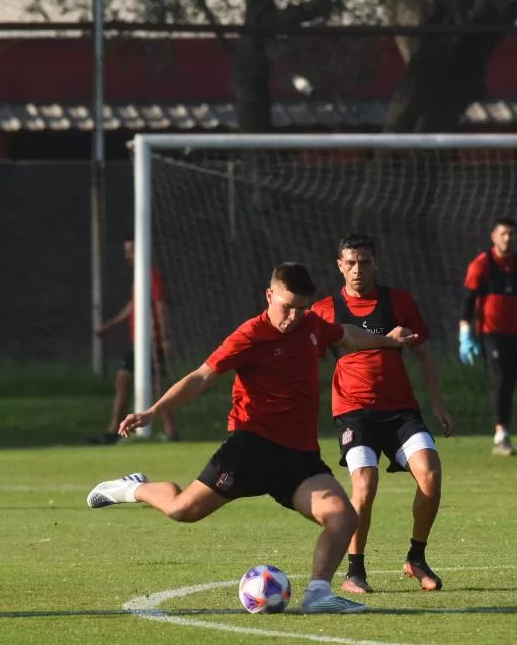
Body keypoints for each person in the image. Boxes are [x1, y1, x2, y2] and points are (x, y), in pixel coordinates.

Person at [85, 263, 419, 614]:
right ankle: (132, 488)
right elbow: (201, 377)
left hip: (299, 458)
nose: (293, 316)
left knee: (343, 517)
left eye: (302, 308)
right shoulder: (250, 335)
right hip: (250, 449)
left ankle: (319, 594)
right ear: (269, 295)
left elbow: (347, 334)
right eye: (287, 306)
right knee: (182, 510)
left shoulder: (311, 326)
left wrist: (388, 341)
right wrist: (153, 412)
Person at [312, 233, 455, 595]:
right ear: (339, 266)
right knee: (364, 480)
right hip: (354, 413)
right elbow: (306, 359)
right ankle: (355, 570)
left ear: (375, 264)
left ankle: (416, 557)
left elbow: (423, 353)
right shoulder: (325, 310)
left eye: (365, 262)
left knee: (431, 475)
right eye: (351, 263)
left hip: (400, 413)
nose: (358, 269)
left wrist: (437, 403)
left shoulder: (399, 302)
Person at [459, 217, 517, 456]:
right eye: (503, 234)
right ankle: (500, 434)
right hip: (491, 332)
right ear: (494, 236)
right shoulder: (481, 264)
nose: (507, 238)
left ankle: (504, 431)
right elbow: (468, 302)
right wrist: (465, 334)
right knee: (500, 377)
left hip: (516, 333)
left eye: (511, 234)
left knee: (510, 380)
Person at [92, 239, 178, 444]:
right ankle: (115, 430)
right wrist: (110, 325)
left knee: (156, 387)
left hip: (150, 341)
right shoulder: (139, 277)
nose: (127, 255)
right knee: (126, 380)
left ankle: (170, 432)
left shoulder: (151, 274)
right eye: (126, 251)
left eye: (131, 251)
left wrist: (164, 338)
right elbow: (133, 306)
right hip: (138, 342)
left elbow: (160, 306)